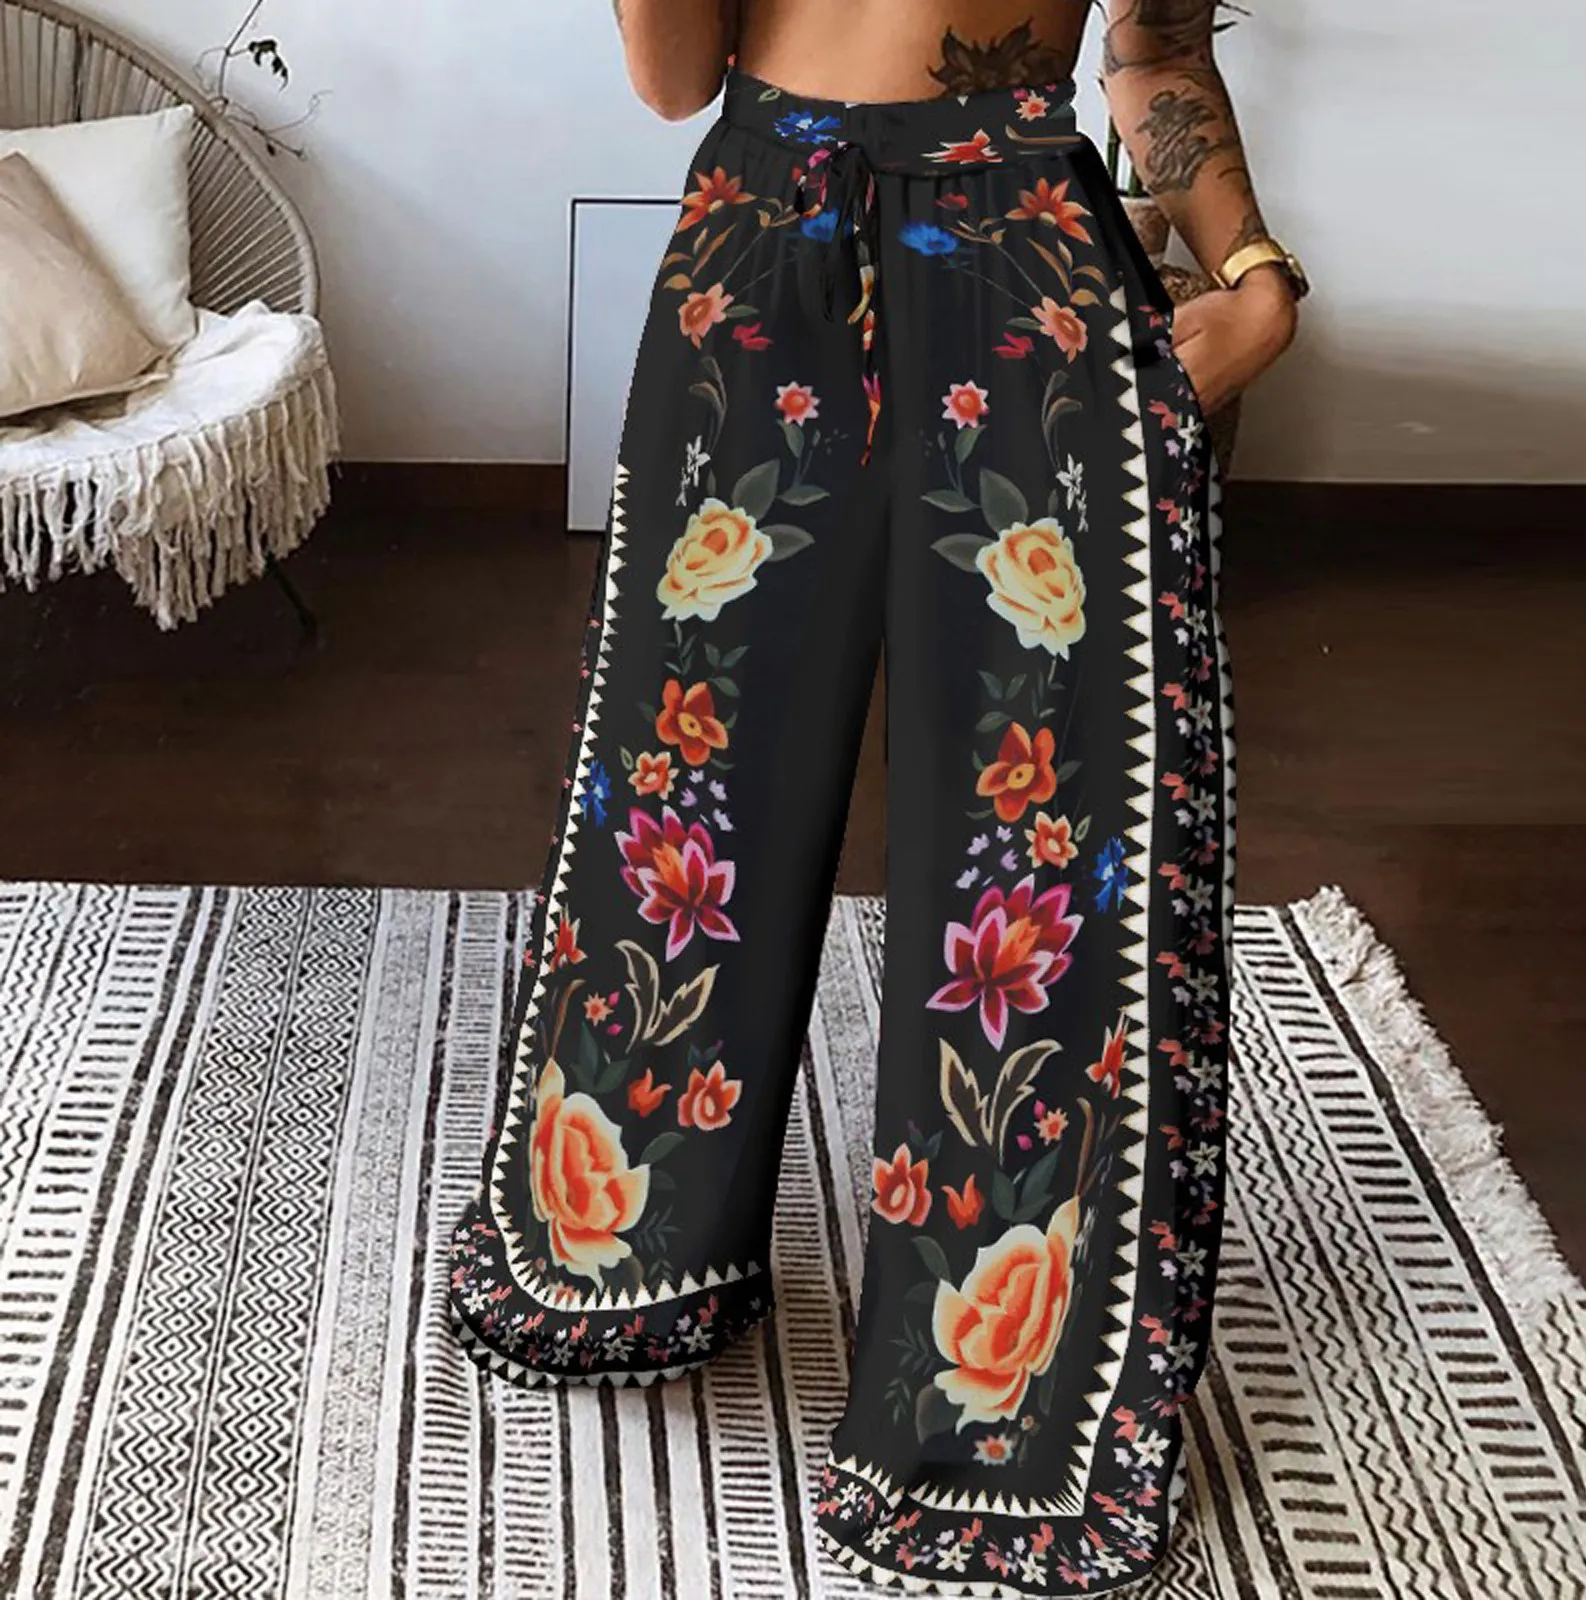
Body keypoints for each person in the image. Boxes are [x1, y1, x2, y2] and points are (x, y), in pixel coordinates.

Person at [450, 3, 1303, 1593]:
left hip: (1028, 257)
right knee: (687, 788)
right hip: (762, 237)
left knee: (1045, 836)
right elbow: (672, 81)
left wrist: (1256, 277)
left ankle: (999, 1394)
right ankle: (624, 1246)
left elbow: (1156, 56)